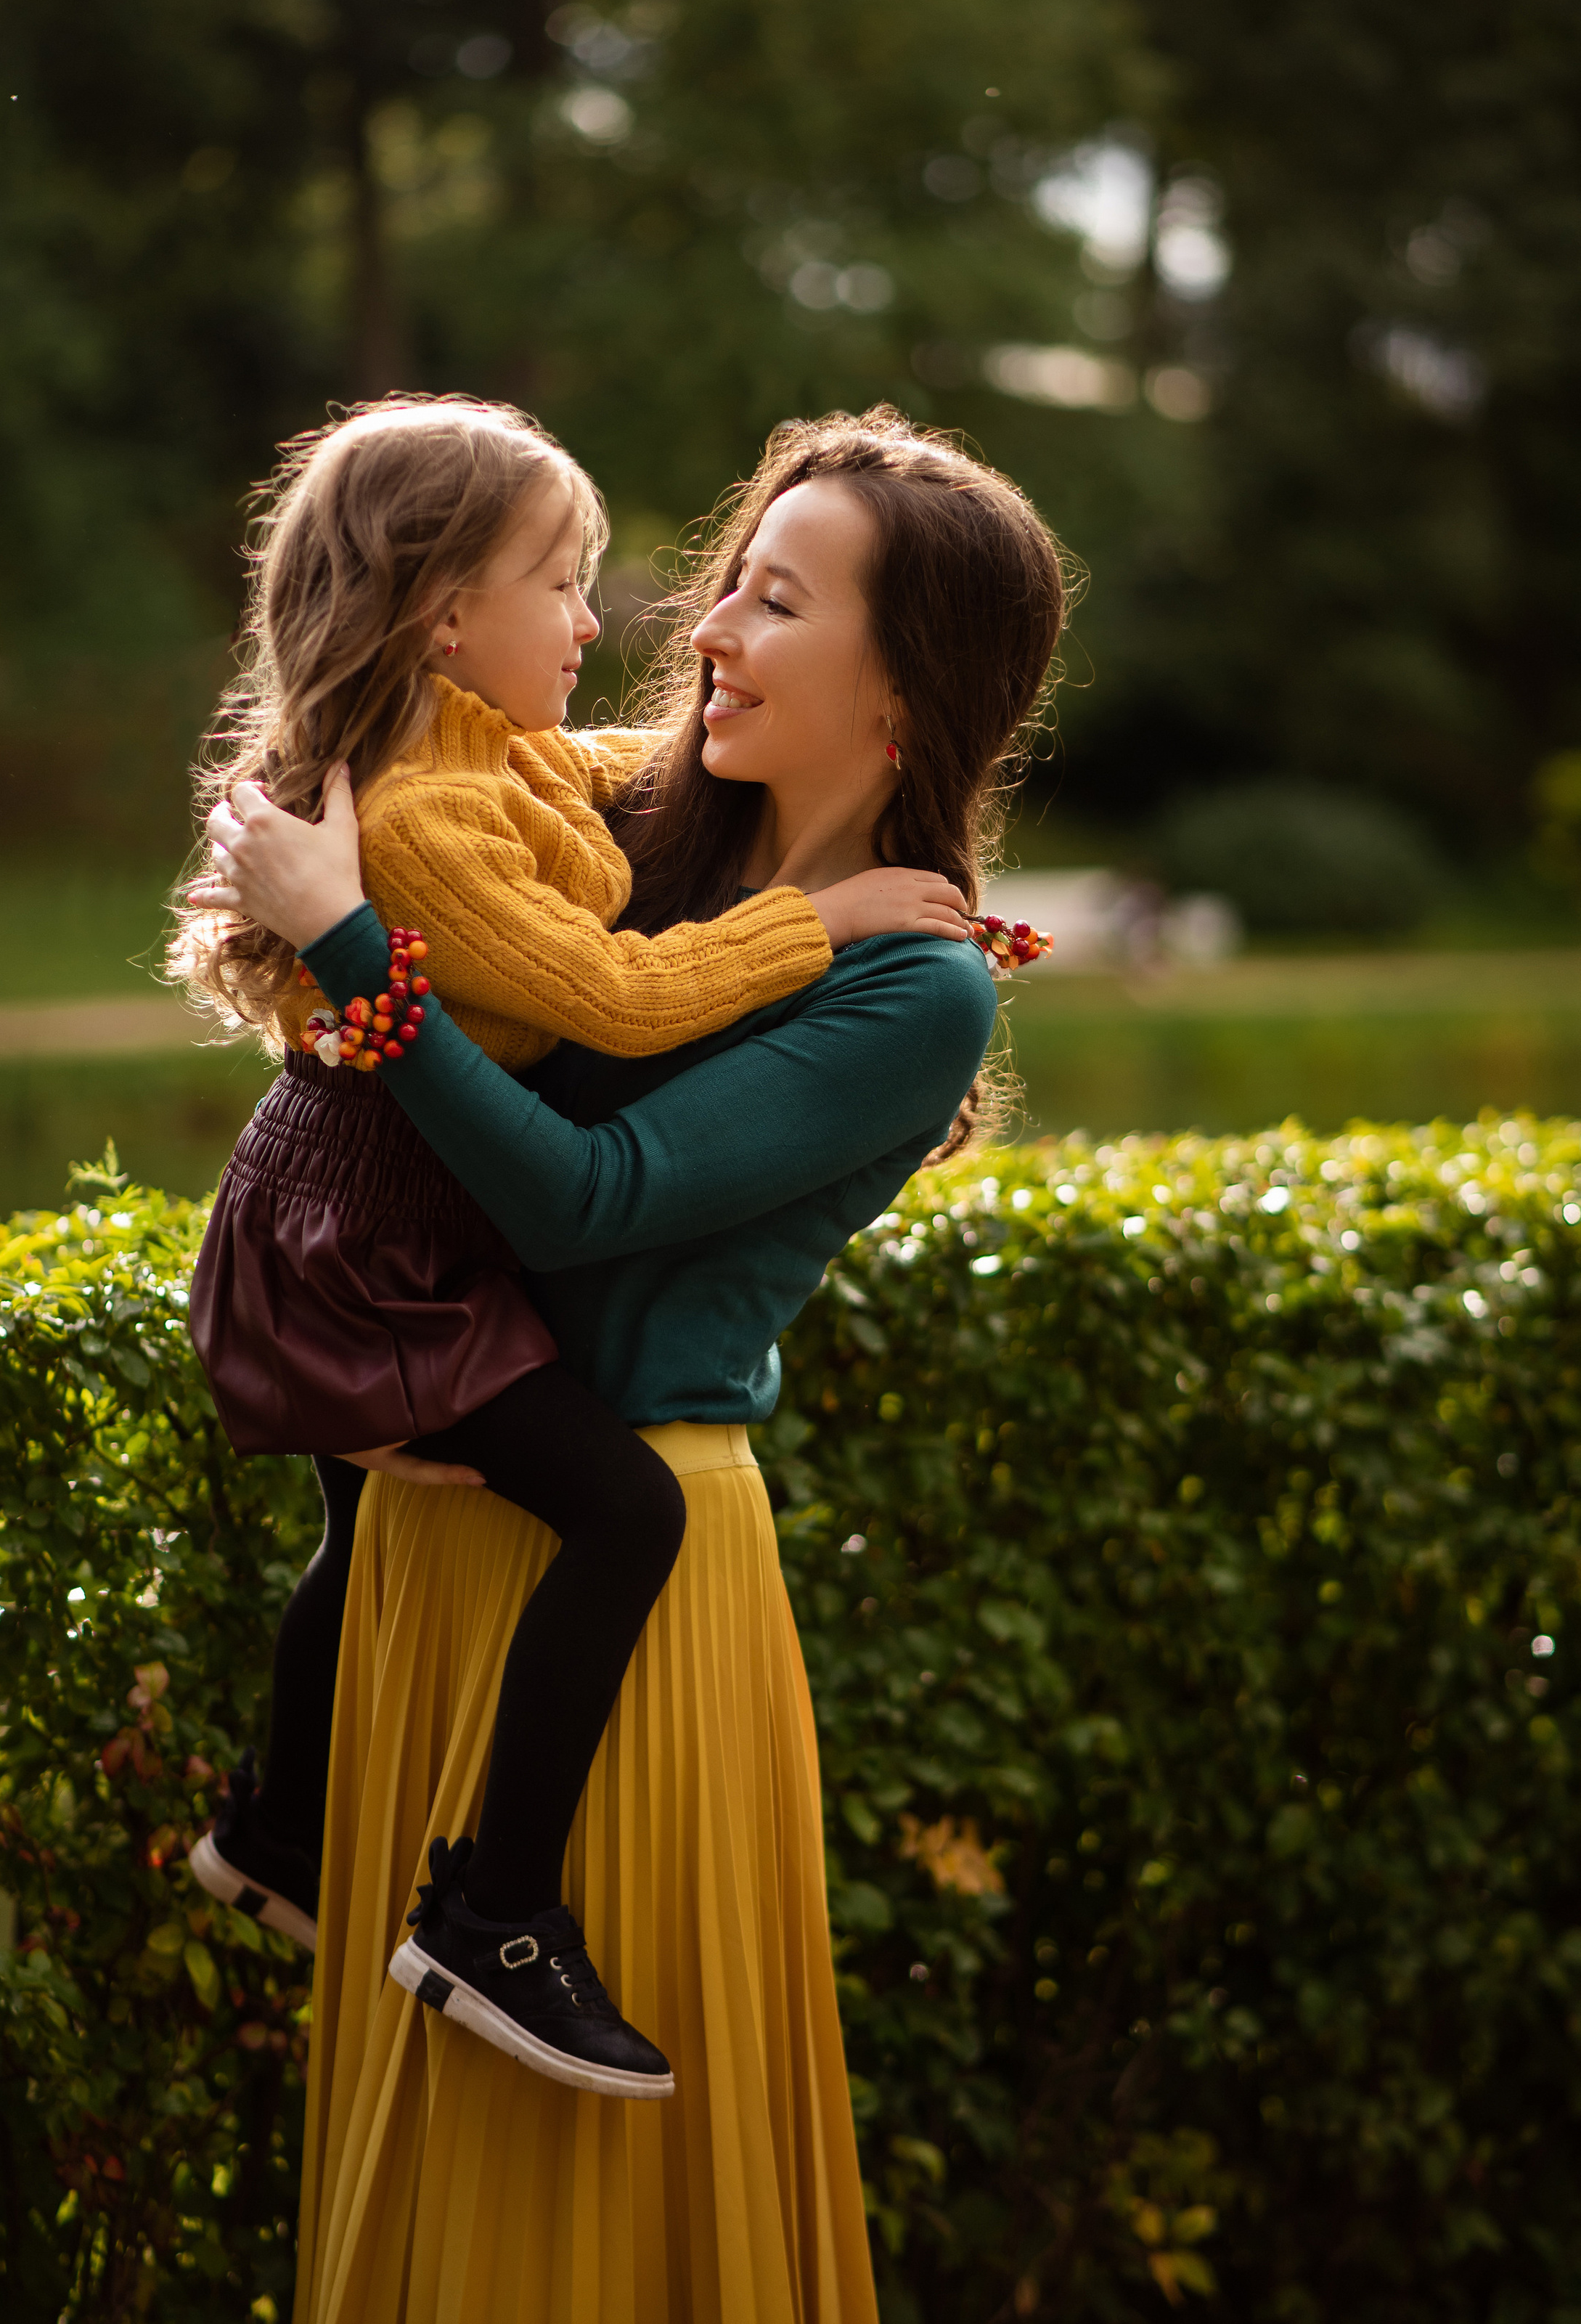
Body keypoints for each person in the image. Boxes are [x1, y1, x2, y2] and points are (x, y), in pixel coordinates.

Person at [205, 404, 1069, 2324]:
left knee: (583, 2222)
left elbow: (581, 1200)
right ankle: (286, 1824)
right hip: (446, 1528)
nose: (706, 630)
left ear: (910, 693)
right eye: (727, 585)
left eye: (778, 601)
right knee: (431, 2177)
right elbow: (409, 795)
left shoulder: (908, 982)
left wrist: (351, 946)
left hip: (631, 1578)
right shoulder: (624, 827)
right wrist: (301, 834)